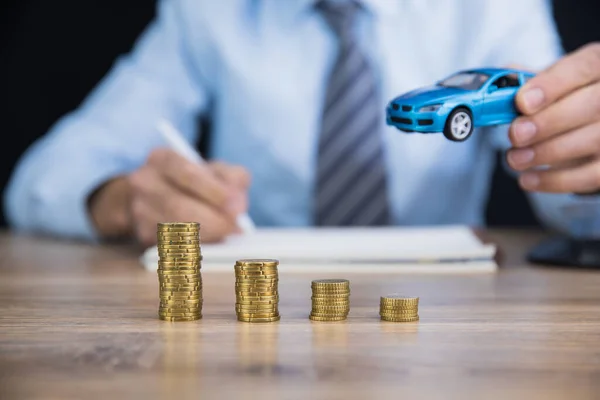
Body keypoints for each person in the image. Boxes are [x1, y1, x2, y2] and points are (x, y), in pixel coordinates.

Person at [4, 0, 600, 246]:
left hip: (446, 317)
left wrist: (582, 164)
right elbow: (44, 177)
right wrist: (121, 198)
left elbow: (559, 181)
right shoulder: (206, 12)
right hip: (258, 321)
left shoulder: (494, 7)